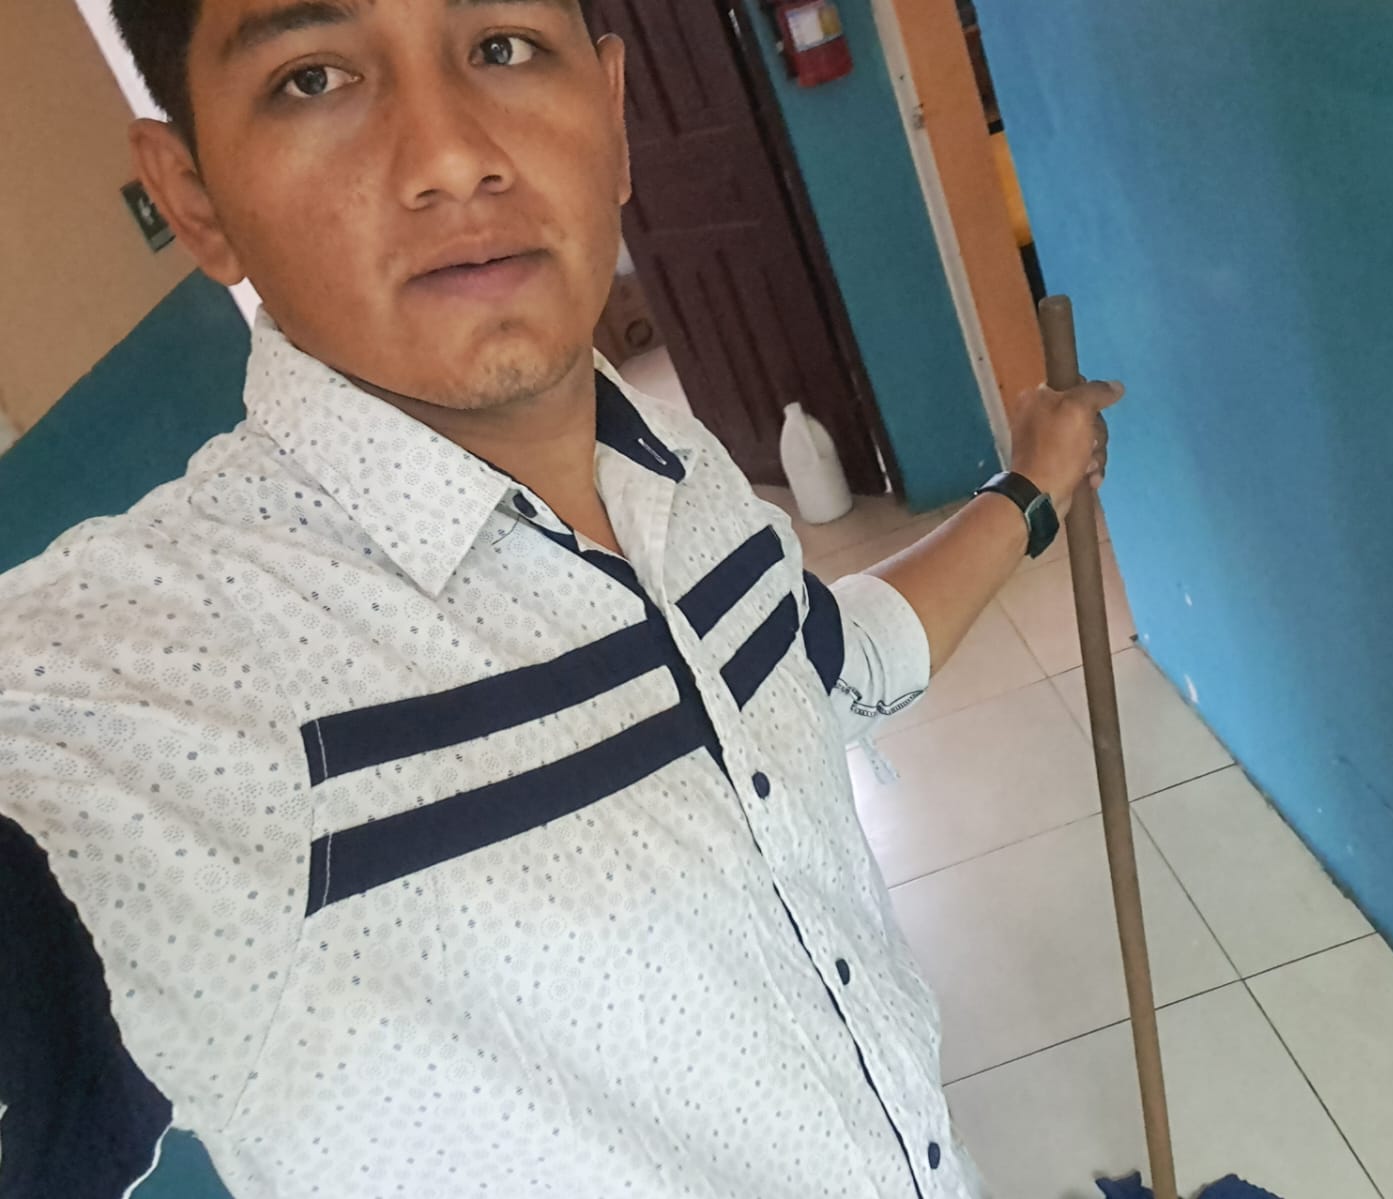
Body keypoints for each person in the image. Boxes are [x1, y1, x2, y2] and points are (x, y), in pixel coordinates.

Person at [0, 1, 1119, 1196]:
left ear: (614, 118)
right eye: (314, 77)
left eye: (502, 47)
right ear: (196, 199)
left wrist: (1032, 488)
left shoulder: (677, 470)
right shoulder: (154, 678)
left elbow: (829, 664)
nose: (450, 157)